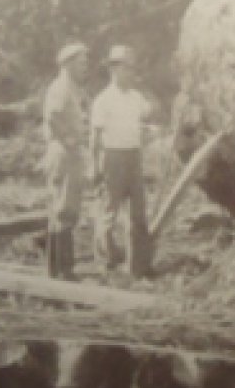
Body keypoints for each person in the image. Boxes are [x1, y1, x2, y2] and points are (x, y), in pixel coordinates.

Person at [90, 45, 155, 279]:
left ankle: (137, 265)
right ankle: (105, 261)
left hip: (133, 156)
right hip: (112, 157)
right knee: (109, 210)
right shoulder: (103, 100)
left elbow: (149, 113)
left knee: (138, 211)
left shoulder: (136, 97)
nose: (131, 74)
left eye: (132, 69)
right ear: (114, 70)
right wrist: (95, 165)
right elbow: (95, 137)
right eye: (126, 69)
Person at [43, 42, 90, 280]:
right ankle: (63, 269)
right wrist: (69, 140)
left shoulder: (72, 87)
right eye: (81, 62)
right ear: (68, 64)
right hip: (63, 152)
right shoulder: (61, 87)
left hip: (69, 151)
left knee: (64, 209)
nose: (85, 67)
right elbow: (53, 116)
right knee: (64, 208)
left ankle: (57, 268)